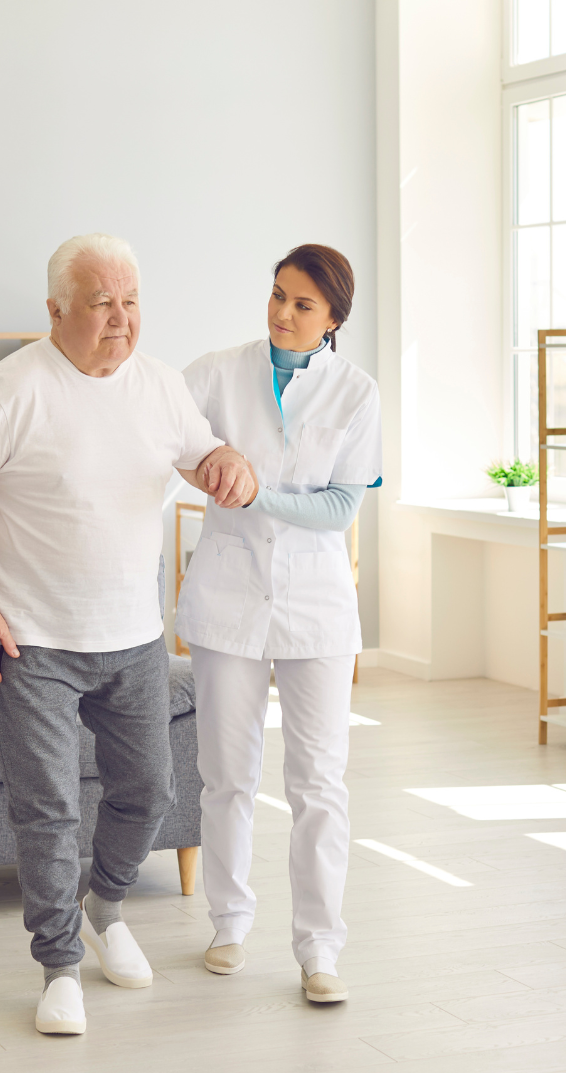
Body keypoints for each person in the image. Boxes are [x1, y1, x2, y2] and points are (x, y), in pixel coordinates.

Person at [0, 233, 257, 1036]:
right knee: (47, 814)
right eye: (101, 302)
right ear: (56, 310)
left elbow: (202, 452)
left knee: (152, 793)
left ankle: (106, 907)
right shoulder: (13, 388)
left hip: (134, 637)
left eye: (131, 301)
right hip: (31, 642)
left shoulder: (162, 387)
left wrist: (228, 460)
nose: (120, 319)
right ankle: (59, 966)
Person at [176, 243, 381, 1003]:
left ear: (333, 319)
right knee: (227, 777)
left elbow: (339, 507)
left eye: (302, 305)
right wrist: (210, 464)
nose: (282, 314)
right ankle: (229, 924)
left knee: (319, 783)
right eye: (276, 295)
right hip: (229, 599)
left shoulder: (357, 394)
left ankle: (320, 949)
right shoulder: (216, 372)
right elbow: (167, 436)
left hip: (317, 607)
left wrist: (251, 488)